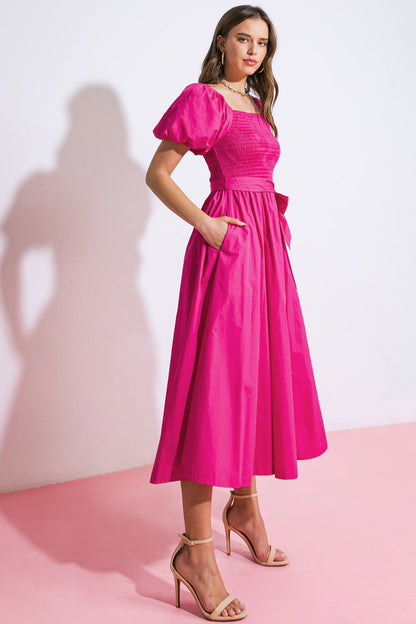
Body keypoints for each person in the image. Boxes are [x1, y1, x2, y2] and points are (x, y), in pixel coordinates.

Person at [145, 4, 328, 621]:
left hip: (265, 254)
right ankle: (196, 552)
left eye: (262, 43)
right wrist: (207, 226)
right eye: (243, 39)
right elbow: (159, 173)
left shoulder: (256, 101)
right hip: (228, 253)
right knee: (215, 392)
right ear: (221, 41)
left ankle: (243, 506)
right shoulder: (205, 98)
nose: (253, 51)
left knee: (254, 380)